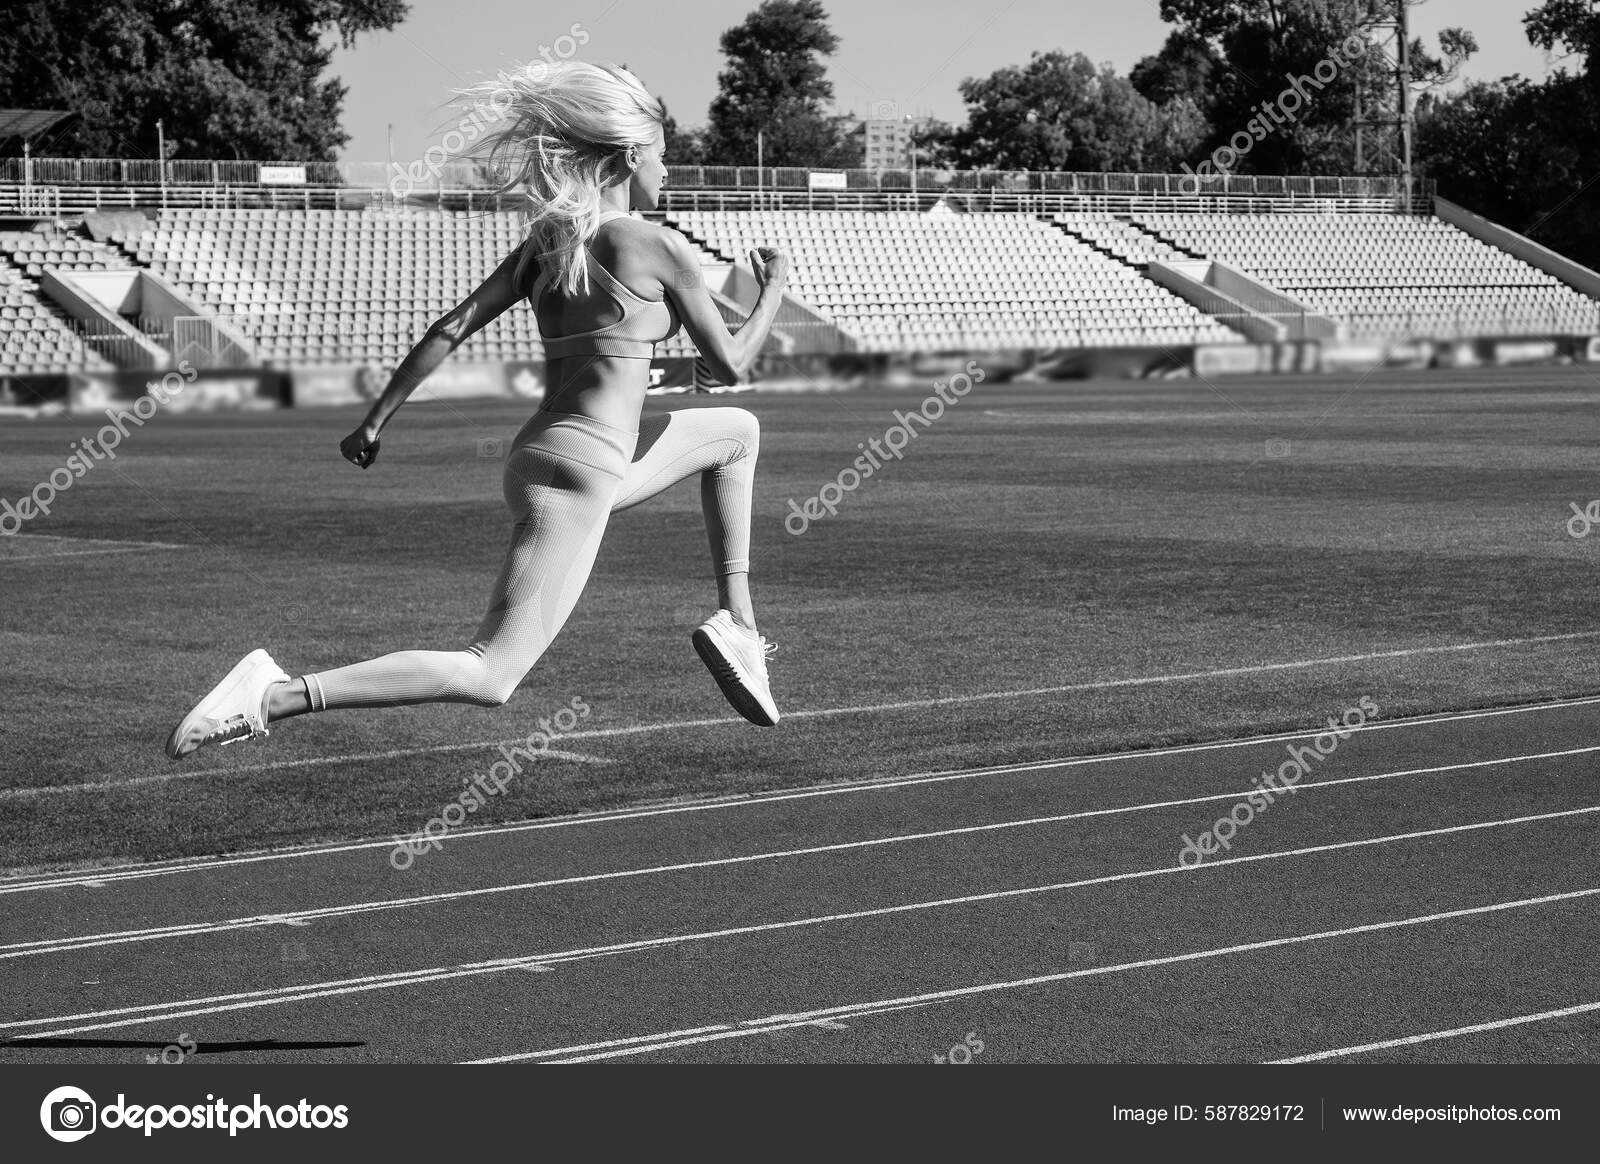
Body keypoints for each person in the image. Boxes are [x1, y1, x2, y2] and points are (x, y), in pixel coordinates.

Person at [166, 60, 787, 761]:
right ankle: (272, 694)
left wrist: (375, 421)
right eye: (665, 157)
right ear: (627, 156)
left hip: (549, 455)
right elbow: (731, 366)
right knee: (492, 673)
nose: (670, 172)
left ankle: (739, 620)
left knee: (737, 434)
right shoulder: (658, 245)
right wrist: (772, 289)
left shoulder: (551, 244)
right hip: (587, 470)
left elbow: (450, 328)